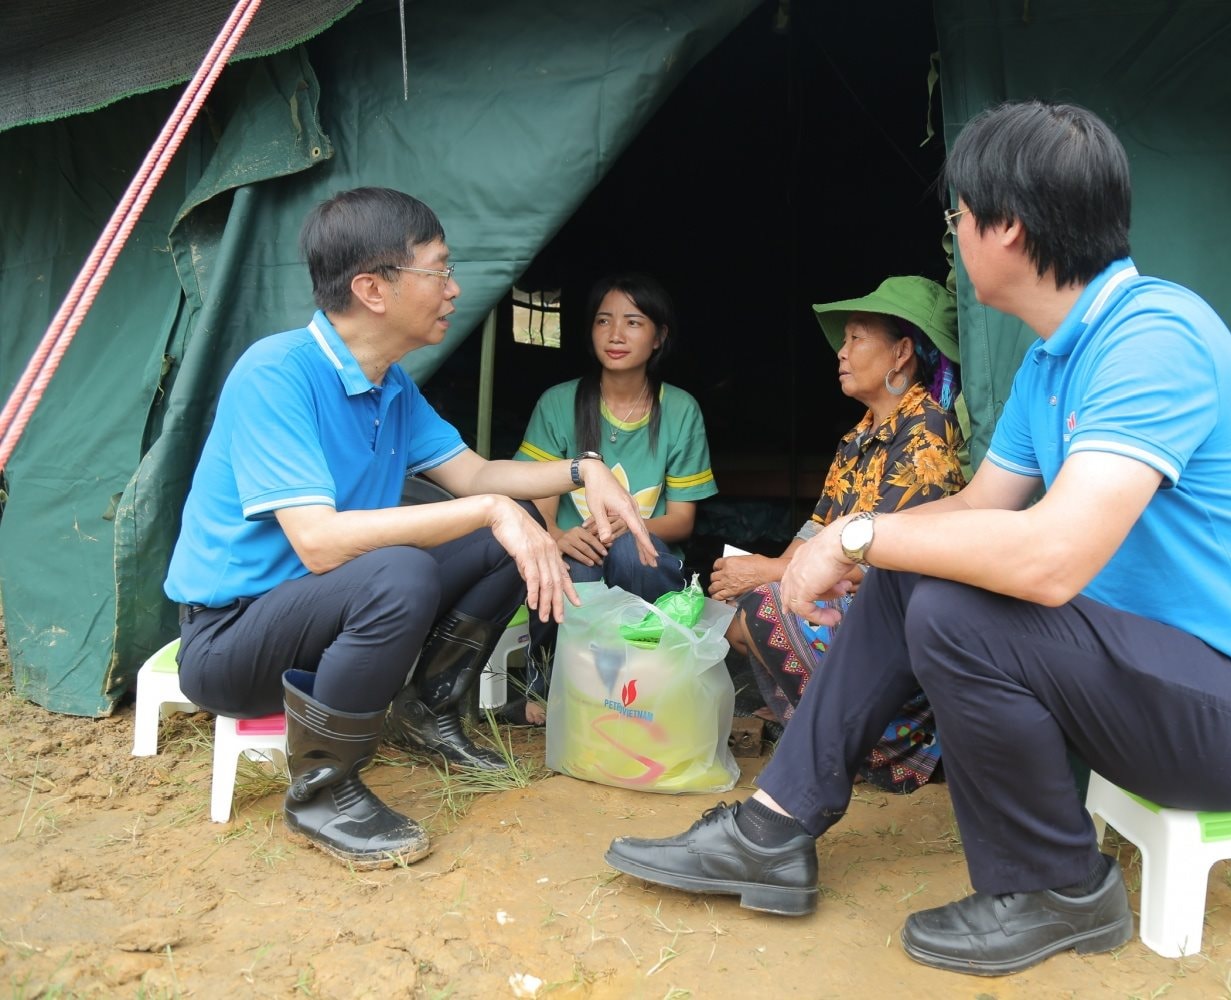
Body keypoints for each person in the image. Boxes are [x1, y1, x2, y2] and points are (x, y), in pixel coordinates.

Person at [603, 101, 1231, 977]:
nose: (952, 238)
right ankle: (775, 826)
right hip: (1143, 677)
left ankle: (1060, 886)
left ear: (1008, 228)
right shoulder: (1054, 358)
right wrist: (843, 541)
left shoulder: (1153, 339)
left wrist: (862, 536)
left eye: (956, 218)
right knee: (915, 570)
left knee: (944, 598)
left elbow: (1051, 559)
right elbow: (982, 506)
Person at [164, 187, 653, 870]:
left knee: (499, 544)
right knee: (402, 568)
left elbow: (477, 477)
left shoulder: (392, 385)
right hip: (232, 642)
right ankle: (321, 790)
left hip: (321, 609)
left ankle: (427, 711)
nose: (455, 289)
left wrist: (583, 471)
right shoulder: (277, 375)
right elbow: (318, 540)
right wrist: (496, 512)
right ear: (372, 288)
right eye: (440, 270)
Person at [708, 276, 966, 792]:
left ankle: (898, 749)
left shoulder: (928, 431)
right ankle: (840, 739)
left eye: (855, 338)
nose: (841, 353)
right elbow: (816, 529)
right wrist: (763, 578)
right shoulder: (856, 439)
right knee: (744, 617)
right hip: (841, 600)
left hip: (897, 615)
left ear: (901, 353)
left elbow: (890, 562)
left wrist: (768, 577)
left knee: (763, 612)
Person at [507, 273, 717, 725]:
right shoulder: (559, 403)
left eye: (633, 323)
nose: (616, 335)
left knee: (622, 547)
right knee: (570, 565)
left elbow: (681, 520)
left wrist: (629, 526)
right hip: (579, 554)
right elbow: (537, 501)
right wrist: (558, 536)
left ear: (659, 337)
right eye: (604, 321)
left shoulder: (680, 410)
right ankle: (553, 685)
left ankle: (643, 680)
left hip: (646, 563)